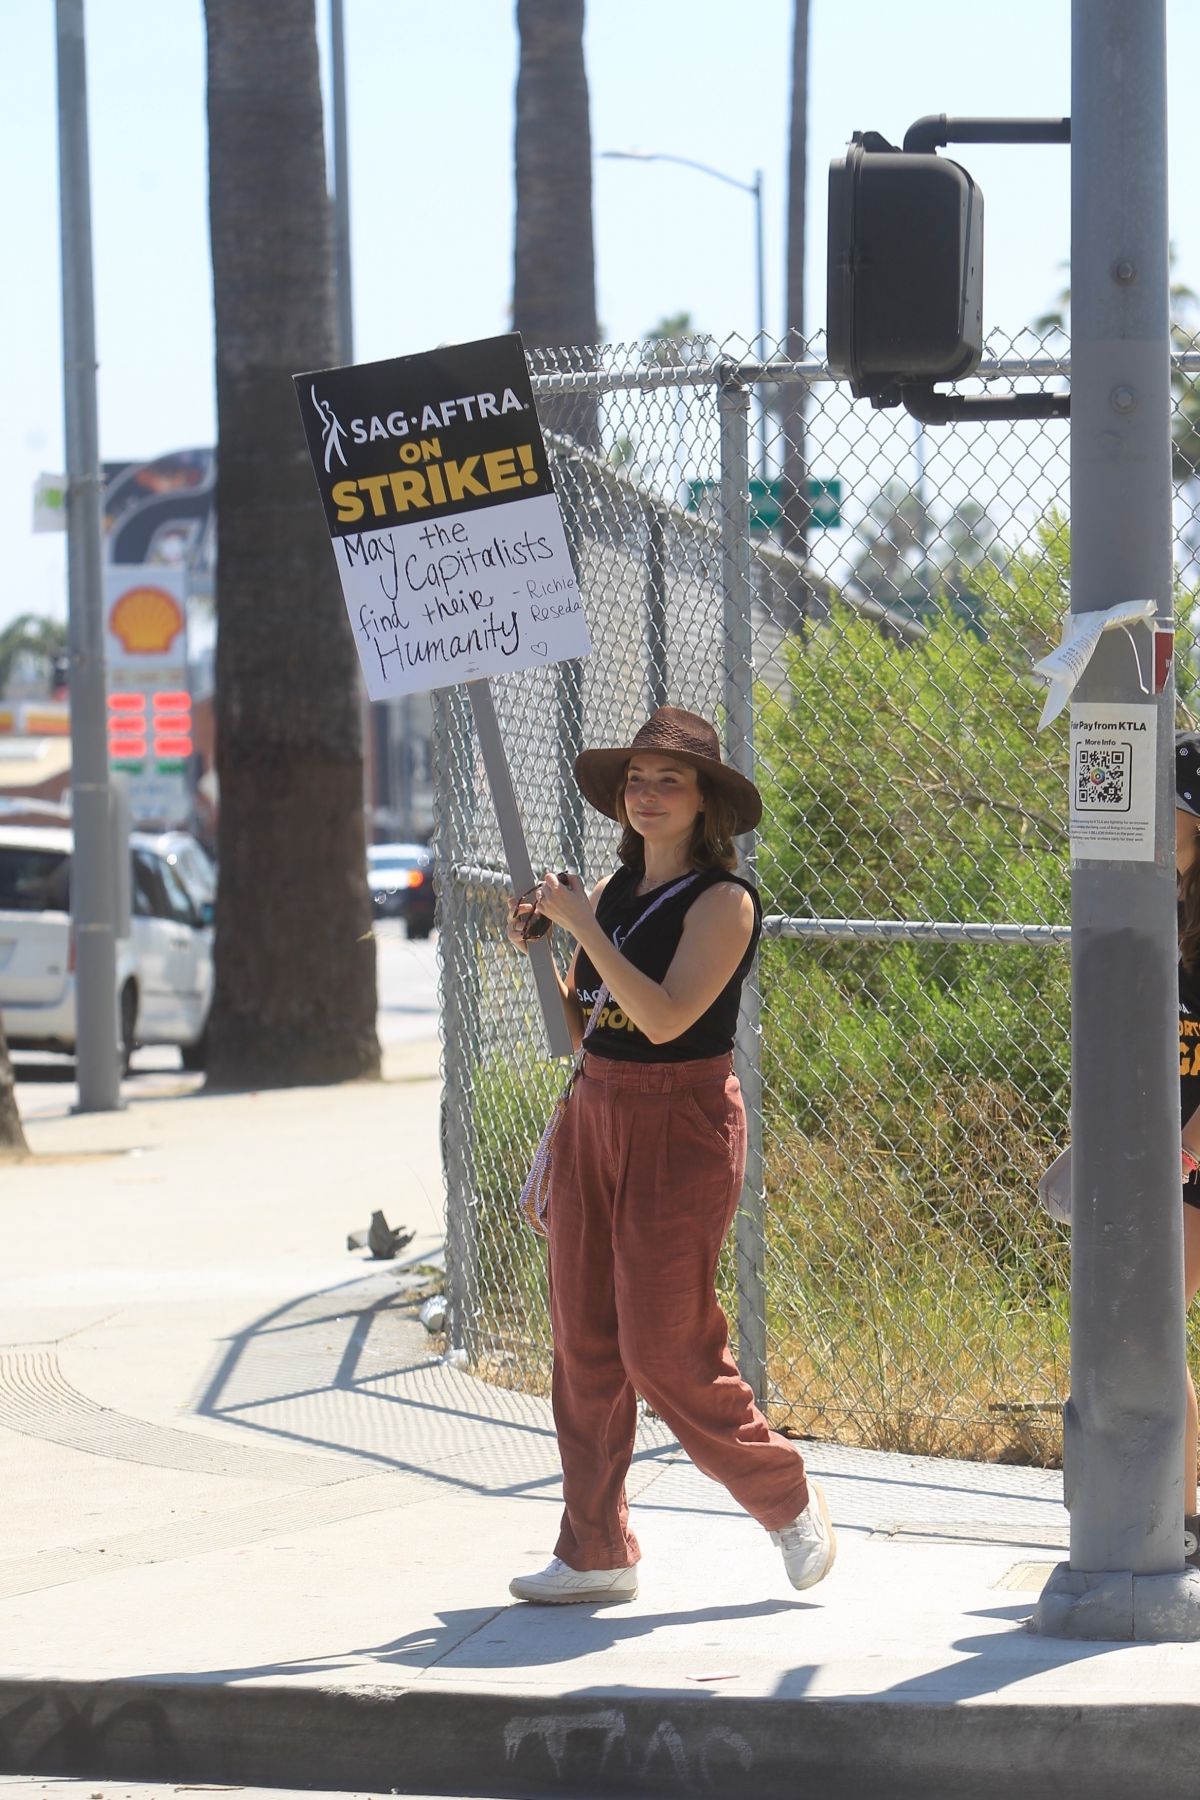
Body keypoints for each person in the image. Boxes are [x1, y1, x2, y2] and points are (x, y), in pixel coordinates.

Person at [504, 706, 836, 1604]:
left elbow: (661, 1018)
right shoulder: (610, 895)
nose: (647, 796)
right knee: (583, 1344)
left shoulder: (724, 902)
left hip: (678, 1123)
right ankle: (595, 1551)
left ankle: (783, 1496)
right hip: (597, 1112)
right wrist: (544, 947)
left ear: (705, 803)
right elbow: (589, 1030)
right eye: (636, 781)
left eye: (670, 781)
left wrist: (581, 929)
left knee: (663, 1346)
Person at [1174, 732, 1200, 1564]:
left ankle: (1178, 1514)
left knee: (1150, 1325)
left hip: (1193, 1154)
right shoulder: (1152, 900)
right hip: (1169, 1149)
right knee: (1152, 1326)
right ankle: (1180, 1514)